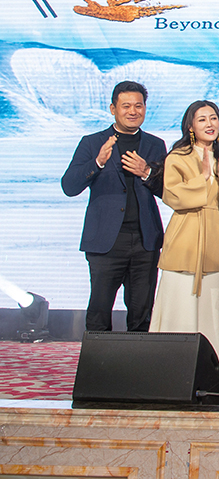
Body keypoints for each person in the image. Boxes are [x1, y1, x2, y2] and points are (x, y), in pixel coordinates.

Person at [62, 81, 167, 332]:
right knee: (99, 311)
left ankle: (137, 359)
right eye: (126, 106)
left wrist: (146, 172)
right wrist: (97, 163)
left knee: (142, 314)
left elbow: (168, 191)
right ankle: (98, 358)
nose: (133, 111)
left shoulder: (156, 144)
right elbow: (69, 186)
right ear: (113, 109)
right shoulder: (92, 142)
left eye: (138, 106)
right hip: (105, 240)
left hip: (145, 240)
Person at [149, 101, 219, 371]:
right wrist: (202, 178)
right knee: (178, 306)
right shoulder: (177, 157)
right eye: (202, 119)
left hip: (214, 242)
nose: (210, 124)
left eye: (214, 118)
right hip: (184, 240)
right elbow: (173, 196)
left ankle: (207, 370)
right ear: (190, 126)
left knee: (209, 308)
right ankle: (168, 368)